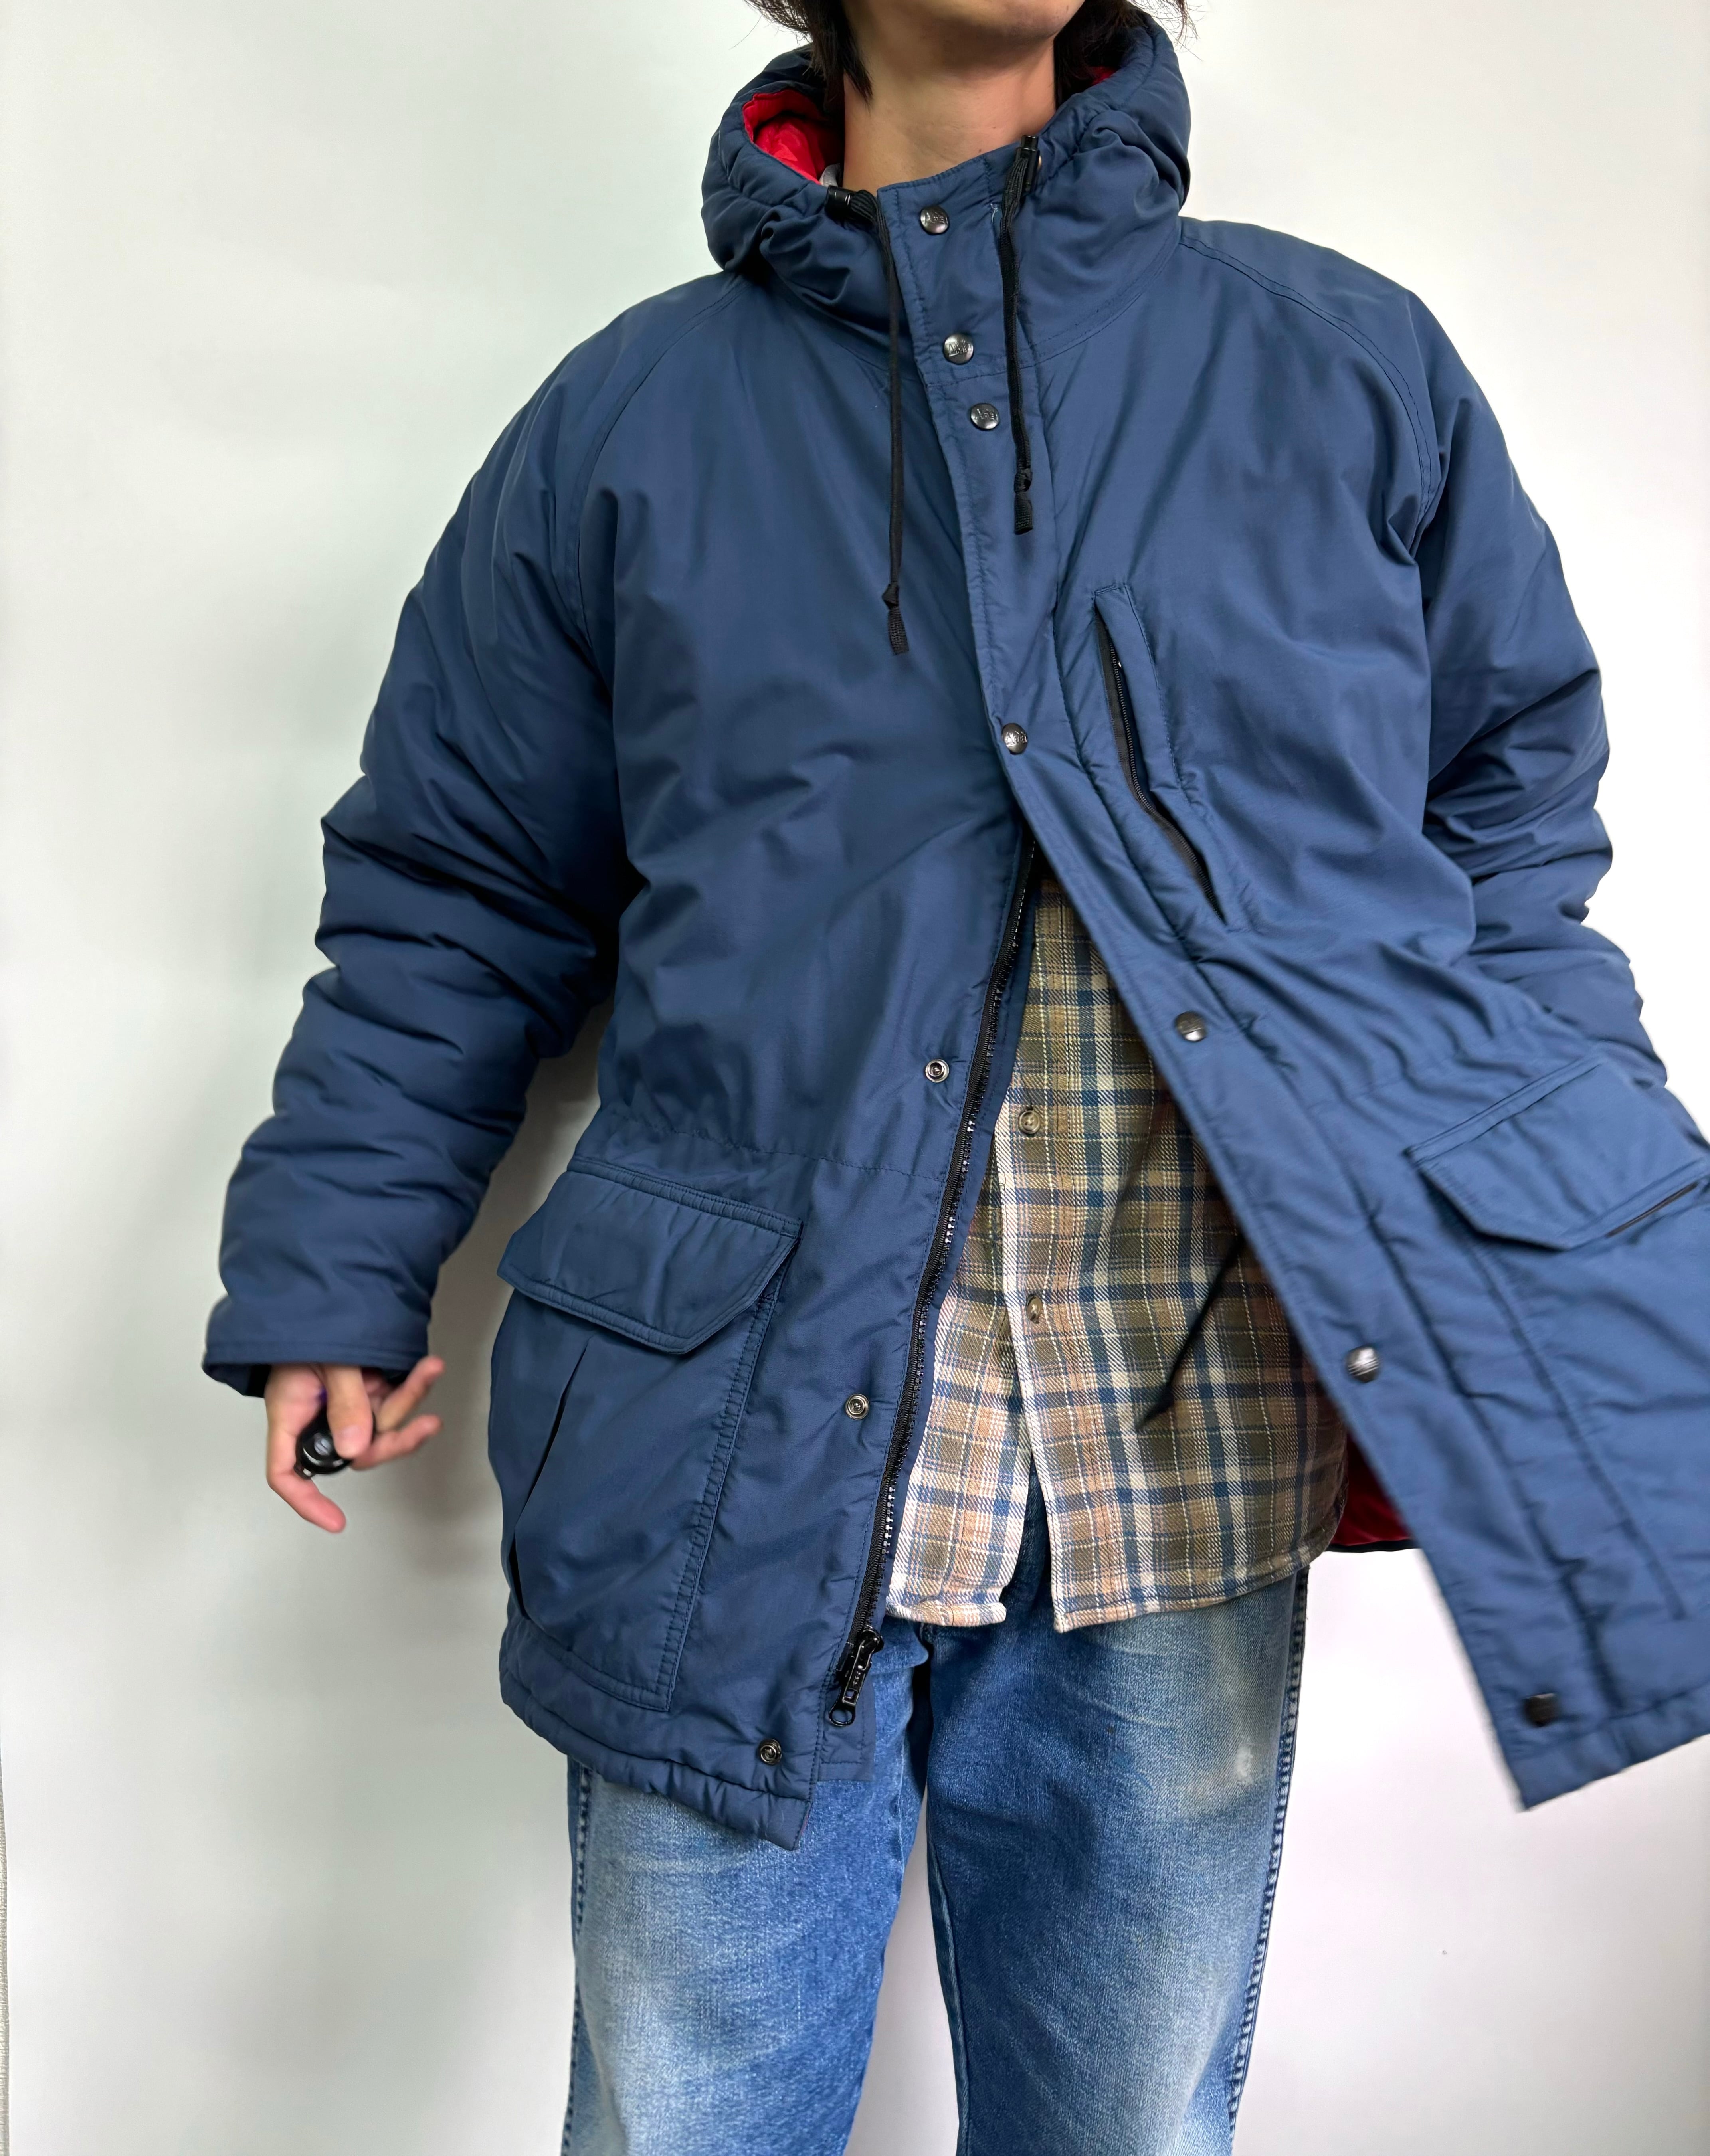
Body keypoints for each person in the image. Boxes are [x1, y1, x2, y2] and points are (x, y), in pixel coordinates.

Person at [205, 2, 1710, 2149]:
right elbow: (461, 884)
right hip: (725, 1465)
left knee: (1130, 2129)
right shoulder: (637, 417)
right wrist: (336, 1267)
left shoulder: (1342, 365)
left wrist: (1587, 1253)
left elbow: (1506, 837)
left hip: (1187, 1458)